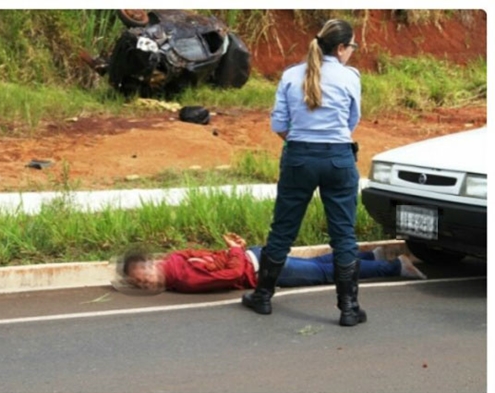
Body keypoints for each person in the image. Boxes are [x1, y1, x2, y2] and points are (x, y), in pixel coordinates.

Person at [241, 19, 366, 326]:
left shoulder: (290, 75)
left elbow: (279, 125)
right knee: (343, 234)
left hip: (299, 157)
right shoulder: (350, 77)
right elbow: (352, 120)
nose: (352, 51)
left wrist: (302, 143)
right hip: (338, 158)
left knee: (283, 228)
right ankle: (348, 309)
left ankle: (263, 297)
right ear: (340, 48)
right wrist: (330, 140)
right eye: (351, 46)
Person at [118, 233, 426, 294]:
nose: (144, 280)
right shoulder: (176, 260)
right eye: (139, 282)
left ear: (151, 262)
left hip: (256, 267)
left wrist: (235, 251)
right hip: (257, 255)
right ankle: (370, 255)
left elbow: (232, 274)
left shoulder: (182, 278)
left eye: (142, 273)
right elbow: (216, 259)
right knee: (319, 262)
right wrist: (236, 250)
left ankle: (394, 267)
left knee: (322, 274)